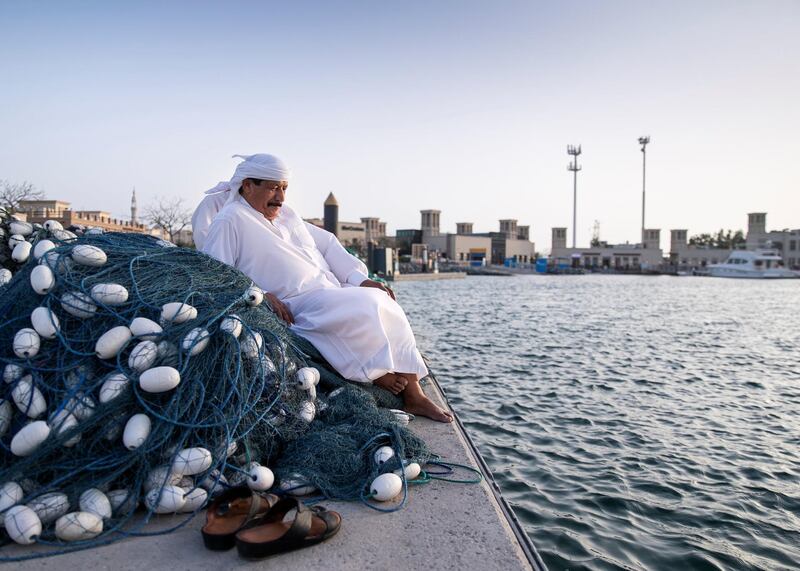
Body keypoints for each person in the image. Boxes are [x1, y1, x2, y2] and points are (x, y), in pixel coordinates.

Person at [200, 154, 452, 423]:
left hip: (329, 289)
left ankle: (414, 394)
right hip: (295, 302)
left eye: (284, 188)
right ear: (248, 185)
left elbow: (329, 244)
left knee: (380, 297)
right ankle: (378, 374)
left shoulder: (287, 216)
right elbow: (219, 272)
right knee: (364, 308)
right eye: (273, 188)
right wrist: (260, 294)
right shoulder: (231, 219)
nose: (281, 198)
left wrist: (359, 279)